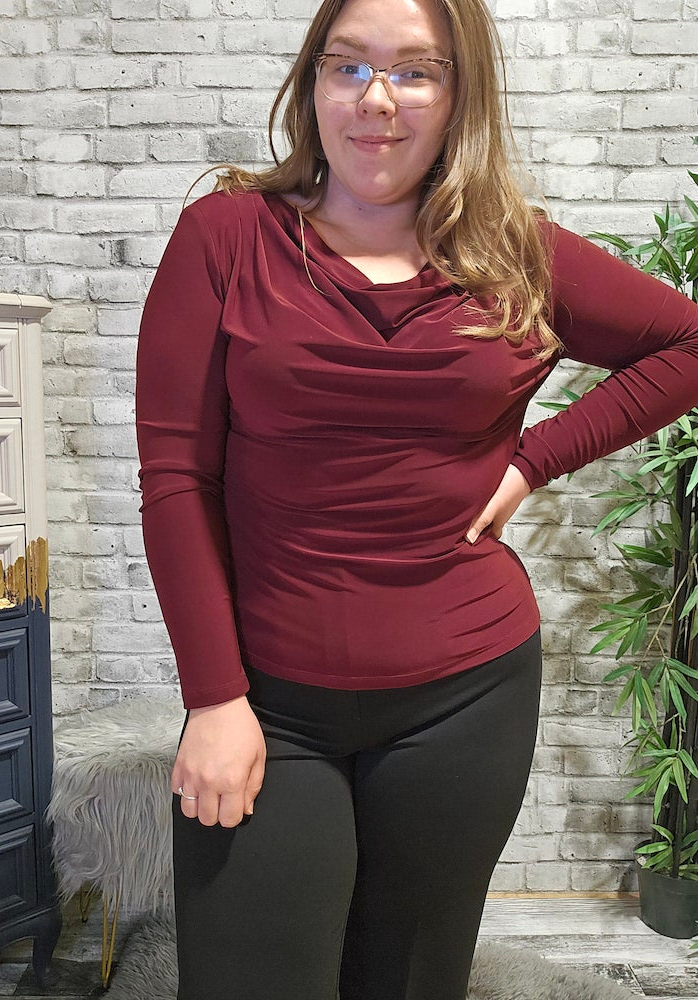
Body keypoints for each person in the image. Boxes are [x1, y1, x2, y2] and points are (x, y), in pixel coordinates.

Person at [135, 0, 698, 996]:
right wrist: (214, 698)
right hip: (269, 701)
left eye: (415, 71)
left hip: (467, 700)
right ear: (313, 83)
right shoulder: (226, 237)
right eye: (348, 66)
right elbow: (178, 477)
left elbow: (684, 344)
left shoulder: (517, 255)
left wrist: (534, 461)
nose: (377, 99)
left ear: (458, 93)